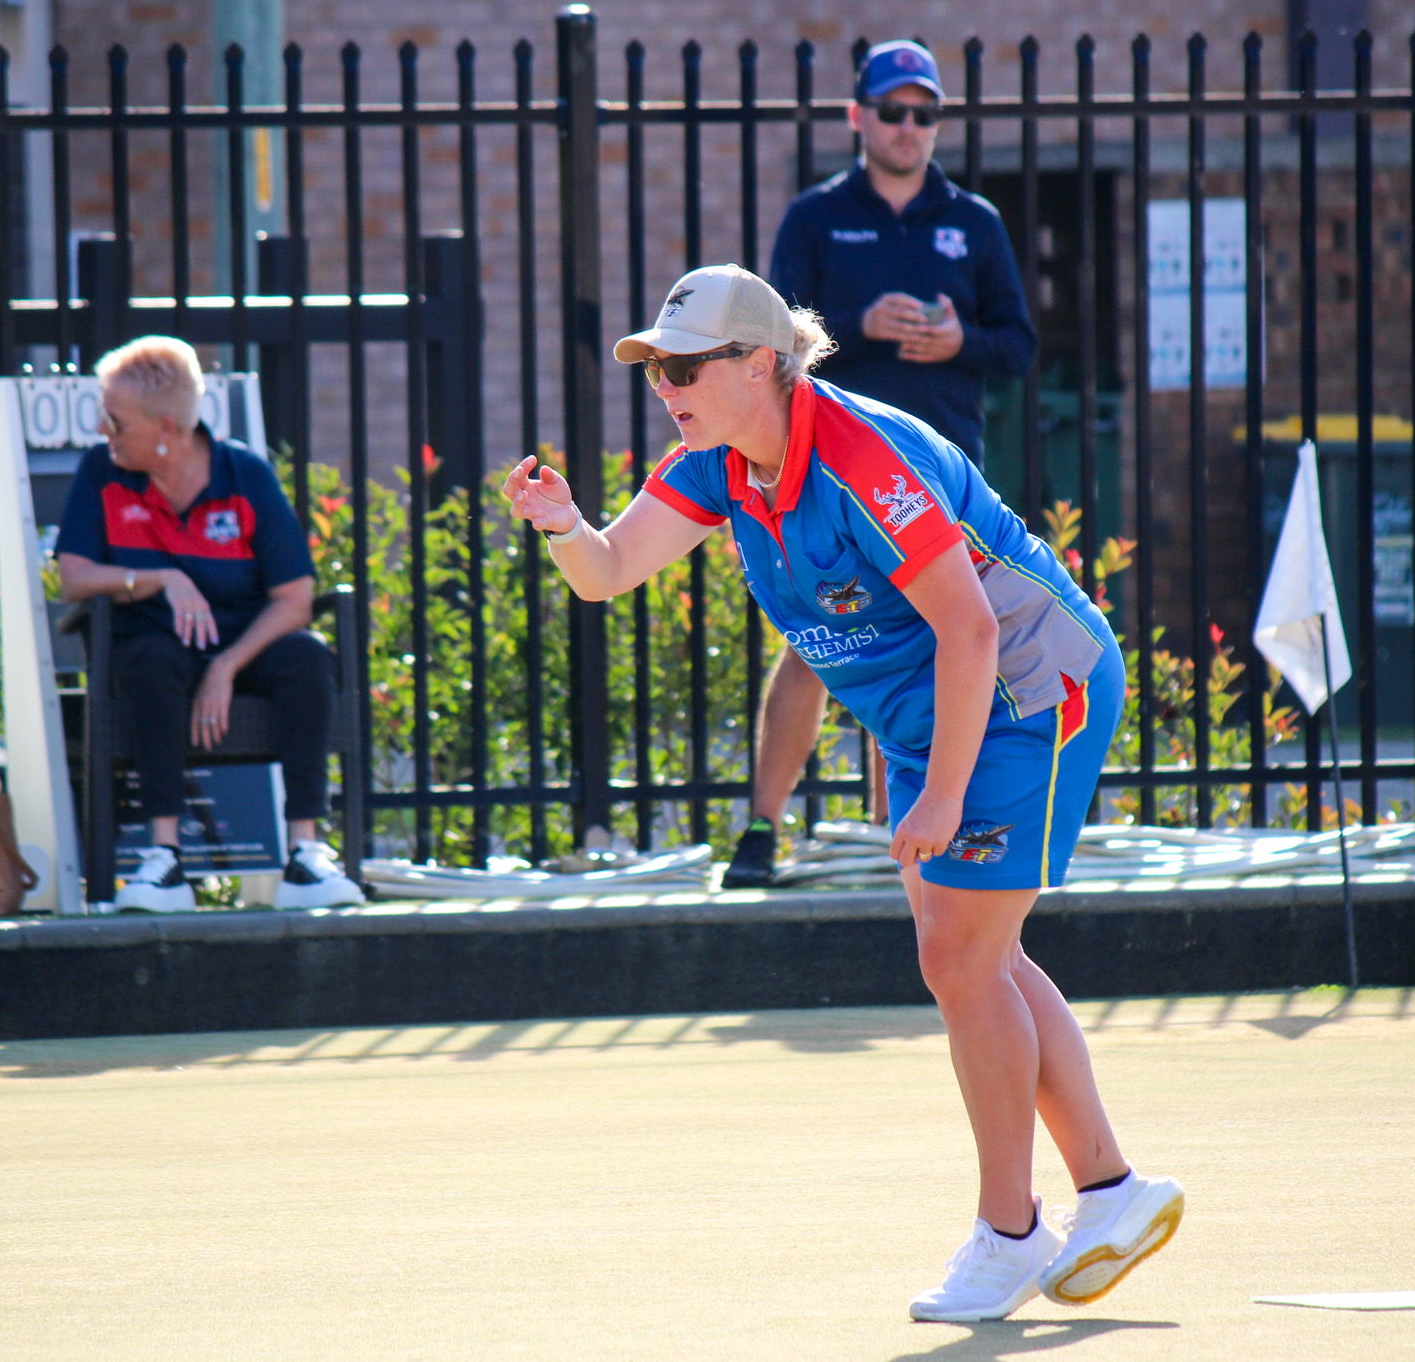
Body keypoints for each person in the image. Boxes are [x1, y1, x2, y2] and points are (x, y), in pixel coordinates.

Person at [503, 264, 1181, 1321]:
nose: (665, 384)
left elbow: (967, 630)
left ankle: (1009, 1234)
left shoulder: (867, 457)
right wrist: (559, 523)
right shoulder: (715, 464)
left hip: (1027, 686)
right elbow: (608, 570)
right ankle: (1111, 1191)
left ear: (763, 363)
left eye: (685, 365)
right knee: (978, 960)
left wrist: (942, 793)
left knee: (958, 958)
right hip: (939, 710)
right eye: (655, 368)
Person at [721, 39, 1037, 888]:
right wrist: (866, 325)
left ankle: (899, 835)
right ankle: (762, 828)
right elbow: (771, 347)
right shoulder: (816, 218)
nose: (909, 128)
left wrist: (956, 339)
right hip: (828, 476)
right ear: (858, 117)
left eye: (925, 113)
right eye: (893, 112)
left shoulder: (975, 222)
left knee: (943, 641)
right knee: (817, 643)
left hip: (941, 476)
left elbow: (1020, 346)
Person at [54, 336, 362, 911]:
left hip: (242, 650)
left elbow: (295, 598)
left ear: (165, 428)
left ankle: (306, 855)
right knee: (150, 659)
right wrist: (157, 580)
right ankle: (164, 859)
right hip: (154, 652)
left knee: (308, 655)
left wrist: (226, 664)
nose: (104, 431)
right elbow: (74, 576)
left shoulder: (244, 473)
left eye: (115, 421)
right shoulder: (102, 472)